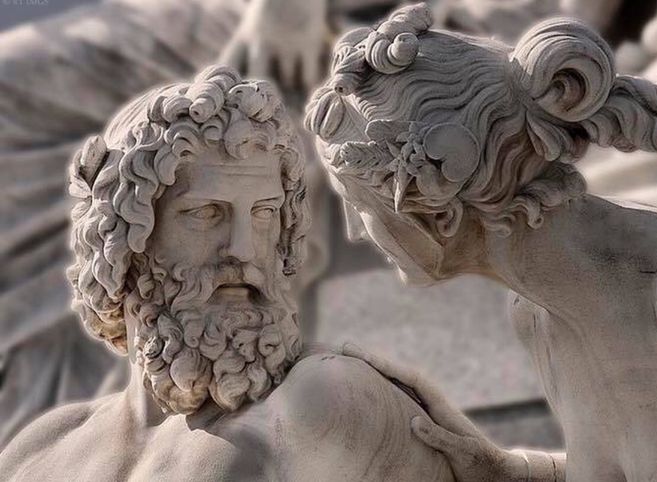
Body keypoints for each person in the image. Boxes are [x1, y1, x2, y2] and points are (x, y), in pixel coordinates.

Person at [307, 4, 657, 481]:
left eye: (358, 203)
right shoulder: (538, 312)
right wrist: (503, 469)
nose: (354, 231)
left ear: (438, 206)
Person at [0, 66, 454, 482]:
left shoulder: (326, 404)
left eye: (264, 213)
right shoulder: (41, 453)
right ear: (123, 241)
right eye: (206, 213)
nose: (243, 248)